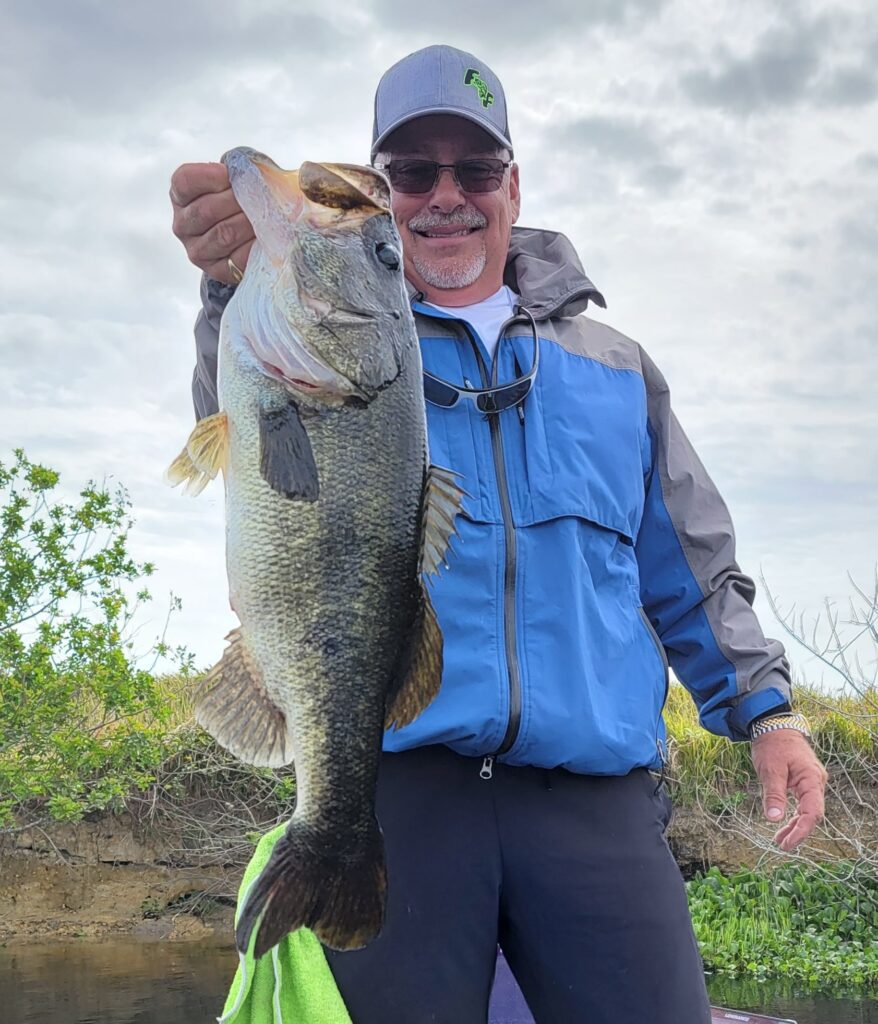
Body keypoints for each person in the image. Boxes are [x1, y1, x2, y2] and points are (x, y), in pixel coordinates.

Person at [169, 44, 827, 1024]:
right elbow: (254, 451)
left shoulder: (615, 369)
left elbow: (686, 563)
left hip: (592, 798)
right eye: (411, 172)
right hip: (401, 784)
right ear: (378, 193)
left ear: (511, 184)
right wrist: (227, 285)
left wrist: (765, 711)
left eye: (473, 169)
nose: (446, 196)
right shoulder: (328, 329)